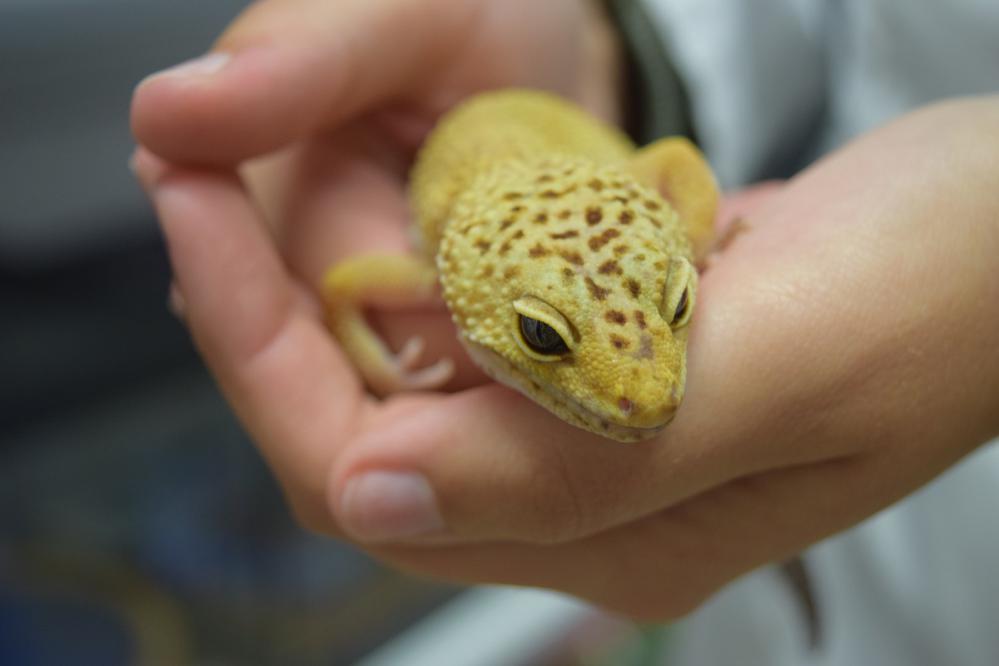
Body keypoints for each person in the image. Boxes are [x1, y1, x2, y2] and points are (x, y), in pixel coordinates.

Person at [130, 0, 999, 661]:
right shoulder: (441, 270)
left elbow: (671, 168)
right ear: (458, 289)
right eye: (545, 338)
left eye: (674, 303)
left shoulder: (604, 239)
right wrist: (608, 39)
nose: (647, 392)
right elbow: (347, 290)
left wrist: (687, 246)